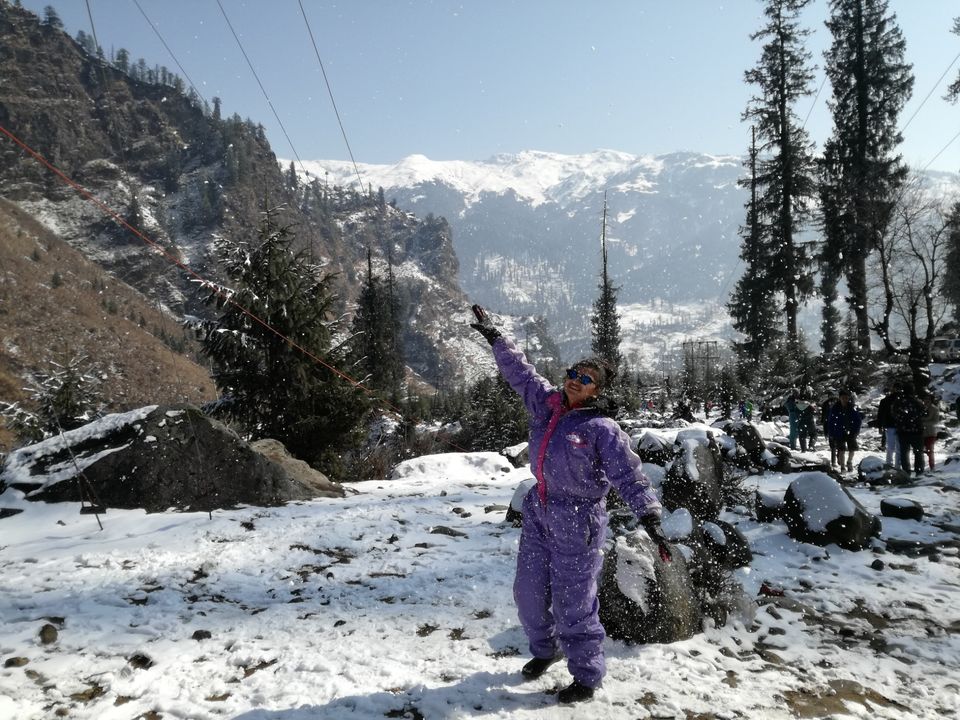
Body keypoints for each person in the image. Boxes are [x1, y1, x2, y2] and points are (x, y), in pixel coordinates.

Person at [469, 305, 669, 705]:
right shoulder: (547, 404)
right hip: (539, 511)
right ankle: (546, 650)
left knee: (573, 601)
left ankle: (587, 673)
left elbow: (628, 475)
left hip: (579, 520)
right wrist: (496, 339)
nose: (576, 382)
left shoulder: (601, 429)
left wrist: (648, 512)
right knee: (527, 592)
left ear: (598, 390)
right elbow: (521, 373)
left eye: (587, 379)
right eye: (574, 374)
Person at [827, 389, 863, 473]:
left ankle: (849, 462)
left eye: (846, 398)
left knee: (852, 448)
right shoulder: (835, 408)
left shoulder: (852, 408)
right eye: (843, 398)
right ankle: (843, 466)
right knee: (841, 450)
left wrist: (855, 431)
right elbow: (831, 421)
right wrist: (831, 432)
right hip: (838, 431)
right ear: (840, 398)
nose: (844, 400)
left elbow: (858, 420)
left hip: (850, 431)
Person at [892, 384, 925, 477]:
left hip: (903, 431)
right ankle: (919, 471)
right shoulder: (917, 402)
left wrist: (902, 421)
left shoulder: (898, 402)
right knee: (918, 452)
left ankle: (906, 471)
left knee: (904, 453)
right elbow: (924, 413)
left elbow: (894, 414)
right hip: (916, 431)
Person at [876, 386, 899, 468]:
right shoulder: (900, 400)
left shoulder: (885, 401)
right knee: (895, 447)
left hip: (892, 425)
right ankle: (895, 464)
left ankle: (891, 463)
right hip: (894, 425)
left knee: (891, 446)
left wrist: (880, 426)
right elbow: (881, 414)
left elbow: (880, 414)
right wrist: (880, 425)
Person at [921, 393, 940, 472]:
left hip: (930, 433)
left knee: (930, 450)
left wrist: (923, 423)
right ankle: (921, 468)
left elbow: (935, 421)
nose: (926, 401)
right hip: (921, 433)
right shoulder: (920, 408)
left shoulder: (935, 409)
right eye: (925, 399)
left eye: (928, 399)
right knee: (920, 451)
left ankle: (932, 467)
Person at [820, 390, 838, 467]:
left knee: (834, 445)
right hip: (835, 425)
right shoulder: (838, 402)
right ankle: (836, 460)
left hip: (832, 425)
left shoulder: (826, 404)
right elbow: (824, 417)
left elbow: (823, 417)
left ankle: (835, 461)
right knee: (835, 445)